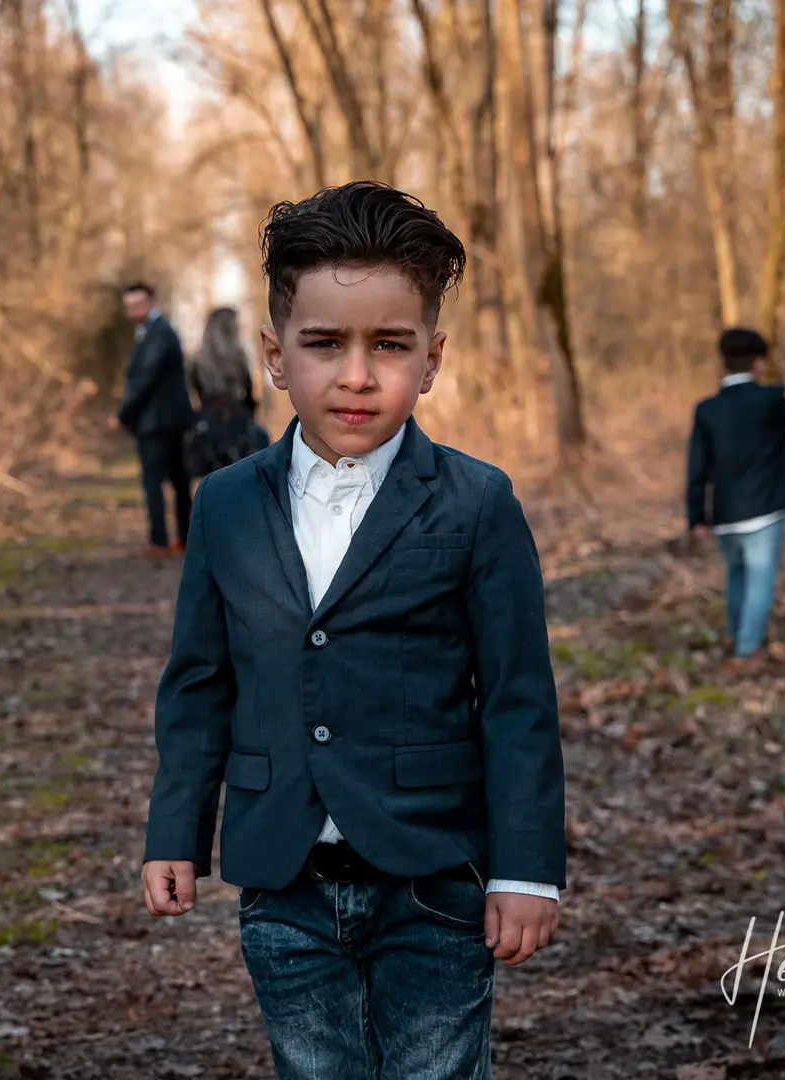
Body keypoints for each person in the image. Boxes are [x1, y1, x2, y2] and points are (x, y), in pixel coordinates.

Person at [140, 181, 566, 1080]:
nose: (358, 374)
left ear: (433, 358)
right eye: (325, 344)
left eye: (390, 345)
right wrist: (176, 829)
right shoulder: (225, 505)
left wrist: (526, 871)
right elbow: (198, 684)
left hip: (436, 878)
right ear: (274, 355)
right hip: (282, 879)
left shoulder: (478, 502)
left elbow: (518, 699)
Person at [687, 328, 785, 669]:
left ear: (723, 363)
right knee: (759, 579)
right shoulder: (771, 400)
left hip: (725, 514)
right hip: (765, 509)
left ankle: (735, 636)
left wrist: (696, 516)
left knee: (737, 577)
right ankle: (746, 651)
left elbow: (696, 466)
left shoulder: (707, 410)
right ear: (758, 363)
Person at [110, 283, 196, 557]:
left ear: (149, 303)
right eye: (128, 306)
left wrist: (123, 415)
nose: (131, 311)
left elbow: (144, 379)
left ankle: (163, 542)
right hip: (164, 421)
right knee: (176, 482)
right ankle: (180, 539)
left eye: (136, 305)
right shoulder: (152, 332)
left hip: (160, 423)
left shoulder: (159, 333)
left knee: (162, 483)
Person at [185, 306, 271, 478]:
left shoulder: (198, 358)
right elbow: (248, 395)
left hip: (207, 427)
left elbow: (196, 393)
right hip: (237, 425)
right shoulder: (240, 357)